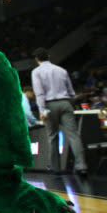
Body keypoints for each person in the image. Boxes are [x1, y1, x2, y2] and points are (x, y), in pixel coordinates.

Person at [31, 47, 87, 176]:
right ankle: (82, 166)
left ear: (36, 59)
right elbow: (71, 92)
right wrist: (69, 103)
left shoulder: (36, 72)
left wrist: (42, 110)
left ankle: (56, 168)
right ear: (49, 57)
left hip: (49, 105)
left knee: (52, 136)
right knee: (73, 135)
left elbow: (39, 93)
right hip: (65, 102)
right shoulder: (61, 70)